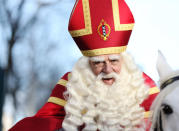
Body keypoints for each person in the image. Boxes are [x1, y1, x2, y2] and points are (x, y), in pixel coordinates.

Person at [9, 0, 159, 130]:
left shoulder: (143, 86)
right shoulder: (72, 83)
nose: (107, 70)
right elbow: (42, 123)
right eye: (98, 63)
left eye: (113, 61)